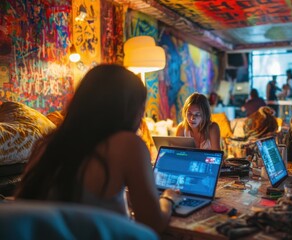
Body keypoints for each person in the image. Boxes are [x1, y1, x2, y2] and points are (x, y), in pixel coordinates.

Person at [15, 64, 181, 234]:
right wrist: (168, 198)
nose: (141, 116)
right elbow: (152, 223)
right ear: (128, 108)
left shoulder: (47, 144)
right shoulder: (128, 144)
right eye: (141, 108)